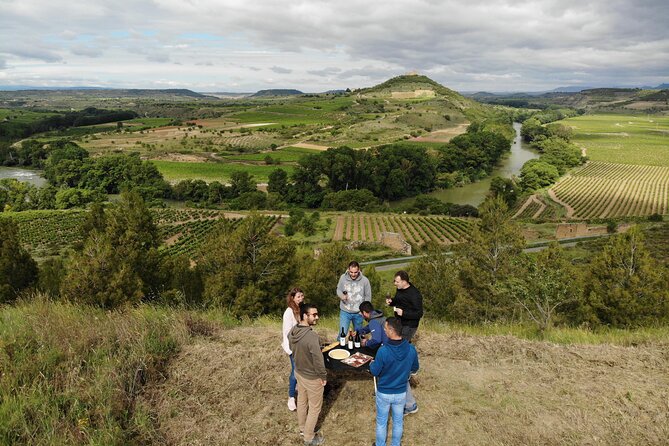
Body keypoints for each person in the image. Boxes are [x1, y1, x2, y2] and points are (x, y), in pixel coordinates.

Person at [369, 317, 419, 446]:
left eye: (385, 328)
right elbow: (415, 368)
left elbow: (375, 371)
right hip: (401, 392)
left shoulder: (383, 351)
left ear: (391, 331)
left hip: (384, 393)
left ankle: (380, 444)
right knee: (398, 421)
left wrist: (372, 364)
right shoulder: (411, 349)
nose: (384, 331)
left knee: (381, 421)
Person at [288, 303, 327, 446]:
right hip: (312, 377)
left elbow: (291, 347)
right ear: (305, 316)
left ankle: (302, 429)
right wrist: (323, 376)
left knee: (302, 402)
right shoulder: (311, 337)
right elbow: (318, 360)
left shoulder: (293, 331)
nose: (317, 317)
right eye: (314, 315)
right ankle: (309, 438)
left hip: (299, 372)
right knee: (315, 407)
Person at [386, 270, 423, 415]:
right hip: (400, 323)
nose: (395, 283)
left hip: (410, 325)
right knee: (400, 347)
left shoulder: (415, 294)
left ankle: (406, 373)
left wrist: (404, 313)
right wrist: (392, 302)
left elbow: (419, 313)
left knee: (402, 349)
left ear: (404, 281)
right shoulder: (400, 290)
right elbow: (398, 301)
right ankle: (406, 371)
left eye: (396, 281)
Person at [282, 287, 304, 412]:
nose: (301, 299)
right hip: (293, 345)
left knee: (301, 369)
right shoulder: (289, 312)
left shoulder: (301, 309)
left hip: (302, 345)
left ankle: (297, 388)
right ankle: (291, 397)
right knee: (295, 371)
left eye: (302, 296)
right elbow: (287, 332)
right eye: (298, 297)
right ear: (292, 298)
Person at [336, 261, 372, 335]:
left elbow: (368, 297)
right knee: (342, 334)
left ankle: (356, 346)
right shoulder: (343, 277)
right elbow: (338, 289)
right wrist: (341, 296)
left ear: (359, 270)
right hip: (345, 311)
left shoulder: (365, 280)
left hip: (359, 313)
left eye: (355, 272)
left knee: (358, 334)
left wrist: (364, 311)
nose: (353, 274)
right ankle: (339, 346)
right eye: (351, 272)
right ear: (348, 270)